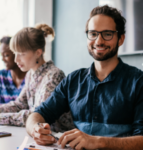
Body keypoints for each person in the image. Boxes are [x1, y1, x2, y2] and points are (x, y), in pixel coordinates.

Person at [26, 5, 143, 150]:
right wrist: (35, 129)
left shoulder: (138, 81)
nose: (99, 41)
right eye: (93, 34)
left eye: (107, 34)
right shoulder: (73, 80)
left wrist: (97, 142)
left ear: (120, 39)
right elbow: (38, 114)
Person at [0, 24, 74, 130]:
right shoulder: (30, 74)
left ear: (38, 52)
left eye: (21, 54)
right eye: (15, 53)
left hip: (59, 138)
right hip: (40, 136)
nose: (16, 59)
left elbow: (37, 117)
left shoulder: (54, 76)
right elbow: (20, 104)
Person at [0, 36, 26, 104]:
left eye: (6, 55)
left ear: (18, 54)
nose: (2, 59)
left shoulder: (31, 78)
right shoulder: (0, 77)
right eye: (1, 55)